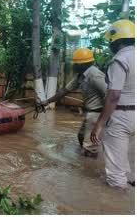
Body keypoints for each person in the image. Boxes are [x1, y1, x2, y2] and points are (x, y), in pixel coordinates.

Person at [91, 20, 135, 188]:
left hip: (121, 117)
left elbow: (114, 95)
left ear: (115, 41)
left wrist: (99, 124)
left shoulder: (120, 60)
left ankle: (117, 207)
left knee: (116, 174)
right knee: (130, 166)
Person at [40, 48, 106, 157]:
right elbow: (64, 91)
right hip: (90, 113)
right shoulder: (80, 75)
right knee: (81, 136)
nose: (73, 66)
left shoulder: (95, 75)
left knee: (90, 147)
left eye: (75, 64)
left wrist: (104, 119)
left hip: (97, 114)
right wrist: (47, 101)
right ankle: (88, 159)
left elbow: (109, 93)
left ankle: (90, 169)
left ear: (82, 64)